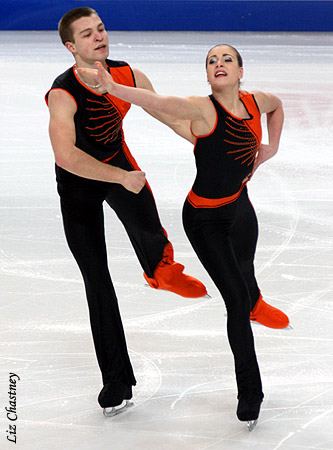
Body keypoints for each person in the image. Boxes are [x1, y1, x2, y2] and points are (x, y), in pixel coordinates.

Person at [78, 44, 290, 426]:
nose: (219, 64)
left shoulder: (258, 101)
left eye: (227, 59)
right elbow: (158, 102)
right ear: (207, 76)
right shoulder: (202, 108)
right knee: (235, 299)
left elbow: (277, 108)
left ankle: (255, 301)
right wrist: (113, 87)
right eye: (212, 61)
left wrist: (270, 148)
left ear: (241, 70)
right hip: (205, 220)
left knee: (245, 267)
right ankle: (251, 391)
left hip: (239, 207)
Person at [45, 7, 208, 416]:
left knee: (145, 218)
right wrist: (118, 178)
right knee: (96, 280)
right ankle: (116, 380)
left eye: (100, 29)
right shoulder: (62, 93)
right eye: (86, 34)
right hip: (79, 185)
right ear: (71, 46)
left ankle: (162, 269)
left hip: (118, 164)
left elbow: (168, 114)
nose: (98, 37)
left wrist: (205, 142)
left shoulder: (128, 76)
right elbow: (65, 155)